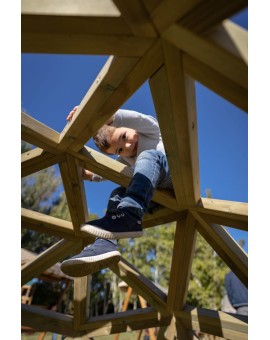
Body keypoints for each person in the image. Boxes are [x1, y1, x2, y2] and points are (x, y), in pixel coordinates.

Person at [61, 106, 174, 277]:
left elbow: (135, 117)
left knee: (148, 156)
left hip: (173, 178)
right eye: (119, 150)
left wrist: (93, 115)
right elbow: (105, 171)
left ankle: (128, 214)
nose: (127, 147)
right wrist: (85, 174)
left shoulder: (150, 130)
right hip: (153, 198)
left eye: (124, 136)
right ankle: (105, 243)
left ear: (129, 127)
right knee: (117, 193)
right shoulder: (127, 159)